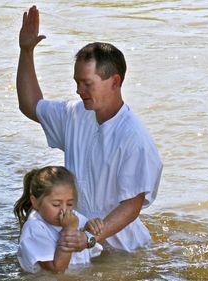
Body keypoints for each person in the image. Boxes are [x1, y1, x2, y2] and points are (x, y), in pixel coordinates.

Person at [16, 6, 163, 253]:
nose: (79, 90)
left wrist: (91, 239)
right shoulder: (75, 114)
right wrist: (26, 51)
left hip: (122, 251)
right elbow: (30, 106)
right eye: (77, 82)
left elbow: (132, 206)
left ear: (115, 82)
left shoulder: (134, 138)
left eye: (87, 84)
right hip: (79, 244)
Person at [14, 166, 103, 273]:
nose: (64, 210)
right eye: (56, 204)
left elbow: (93, 242)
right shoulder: (34, 228)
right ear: (35, 202)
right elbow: (57, 270)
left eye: (70, 204)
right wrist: (69, 231)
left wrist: (92, 230)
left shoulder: (74, 217)